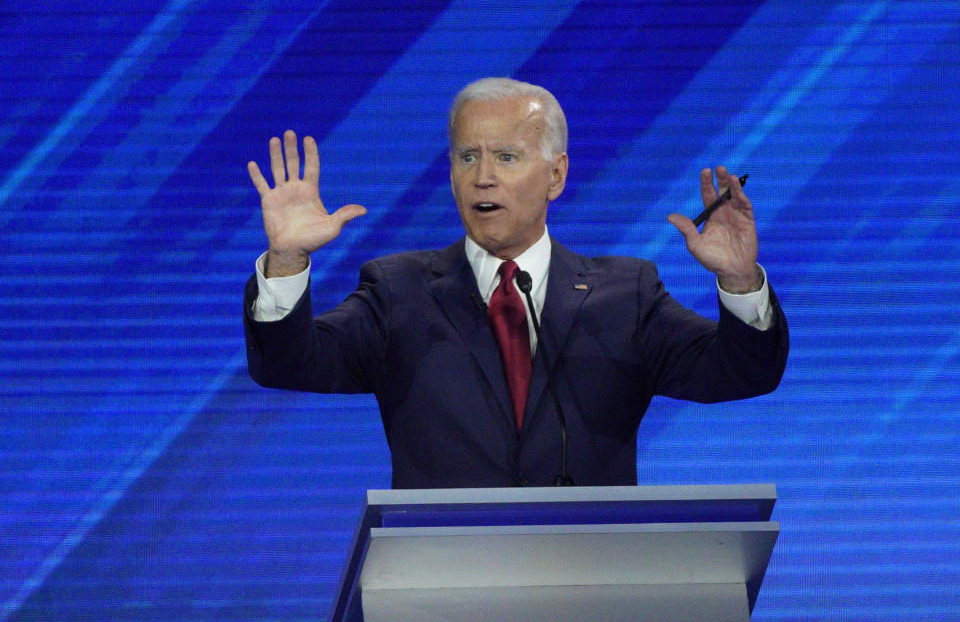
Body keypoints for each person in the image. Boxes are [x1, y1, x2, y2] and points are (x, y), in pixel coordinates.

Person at [243, 77, 788, 489]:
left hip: (590, 582)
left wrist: (739, 282)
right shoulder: (399, 291)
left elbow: (740, 374)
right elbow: (289, 363)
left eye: (507, 157)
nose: (483, 176)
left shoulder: (627, 294)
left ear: (556, 174)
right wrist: (287, 260)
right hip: (439, 587)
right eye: (467, 157)